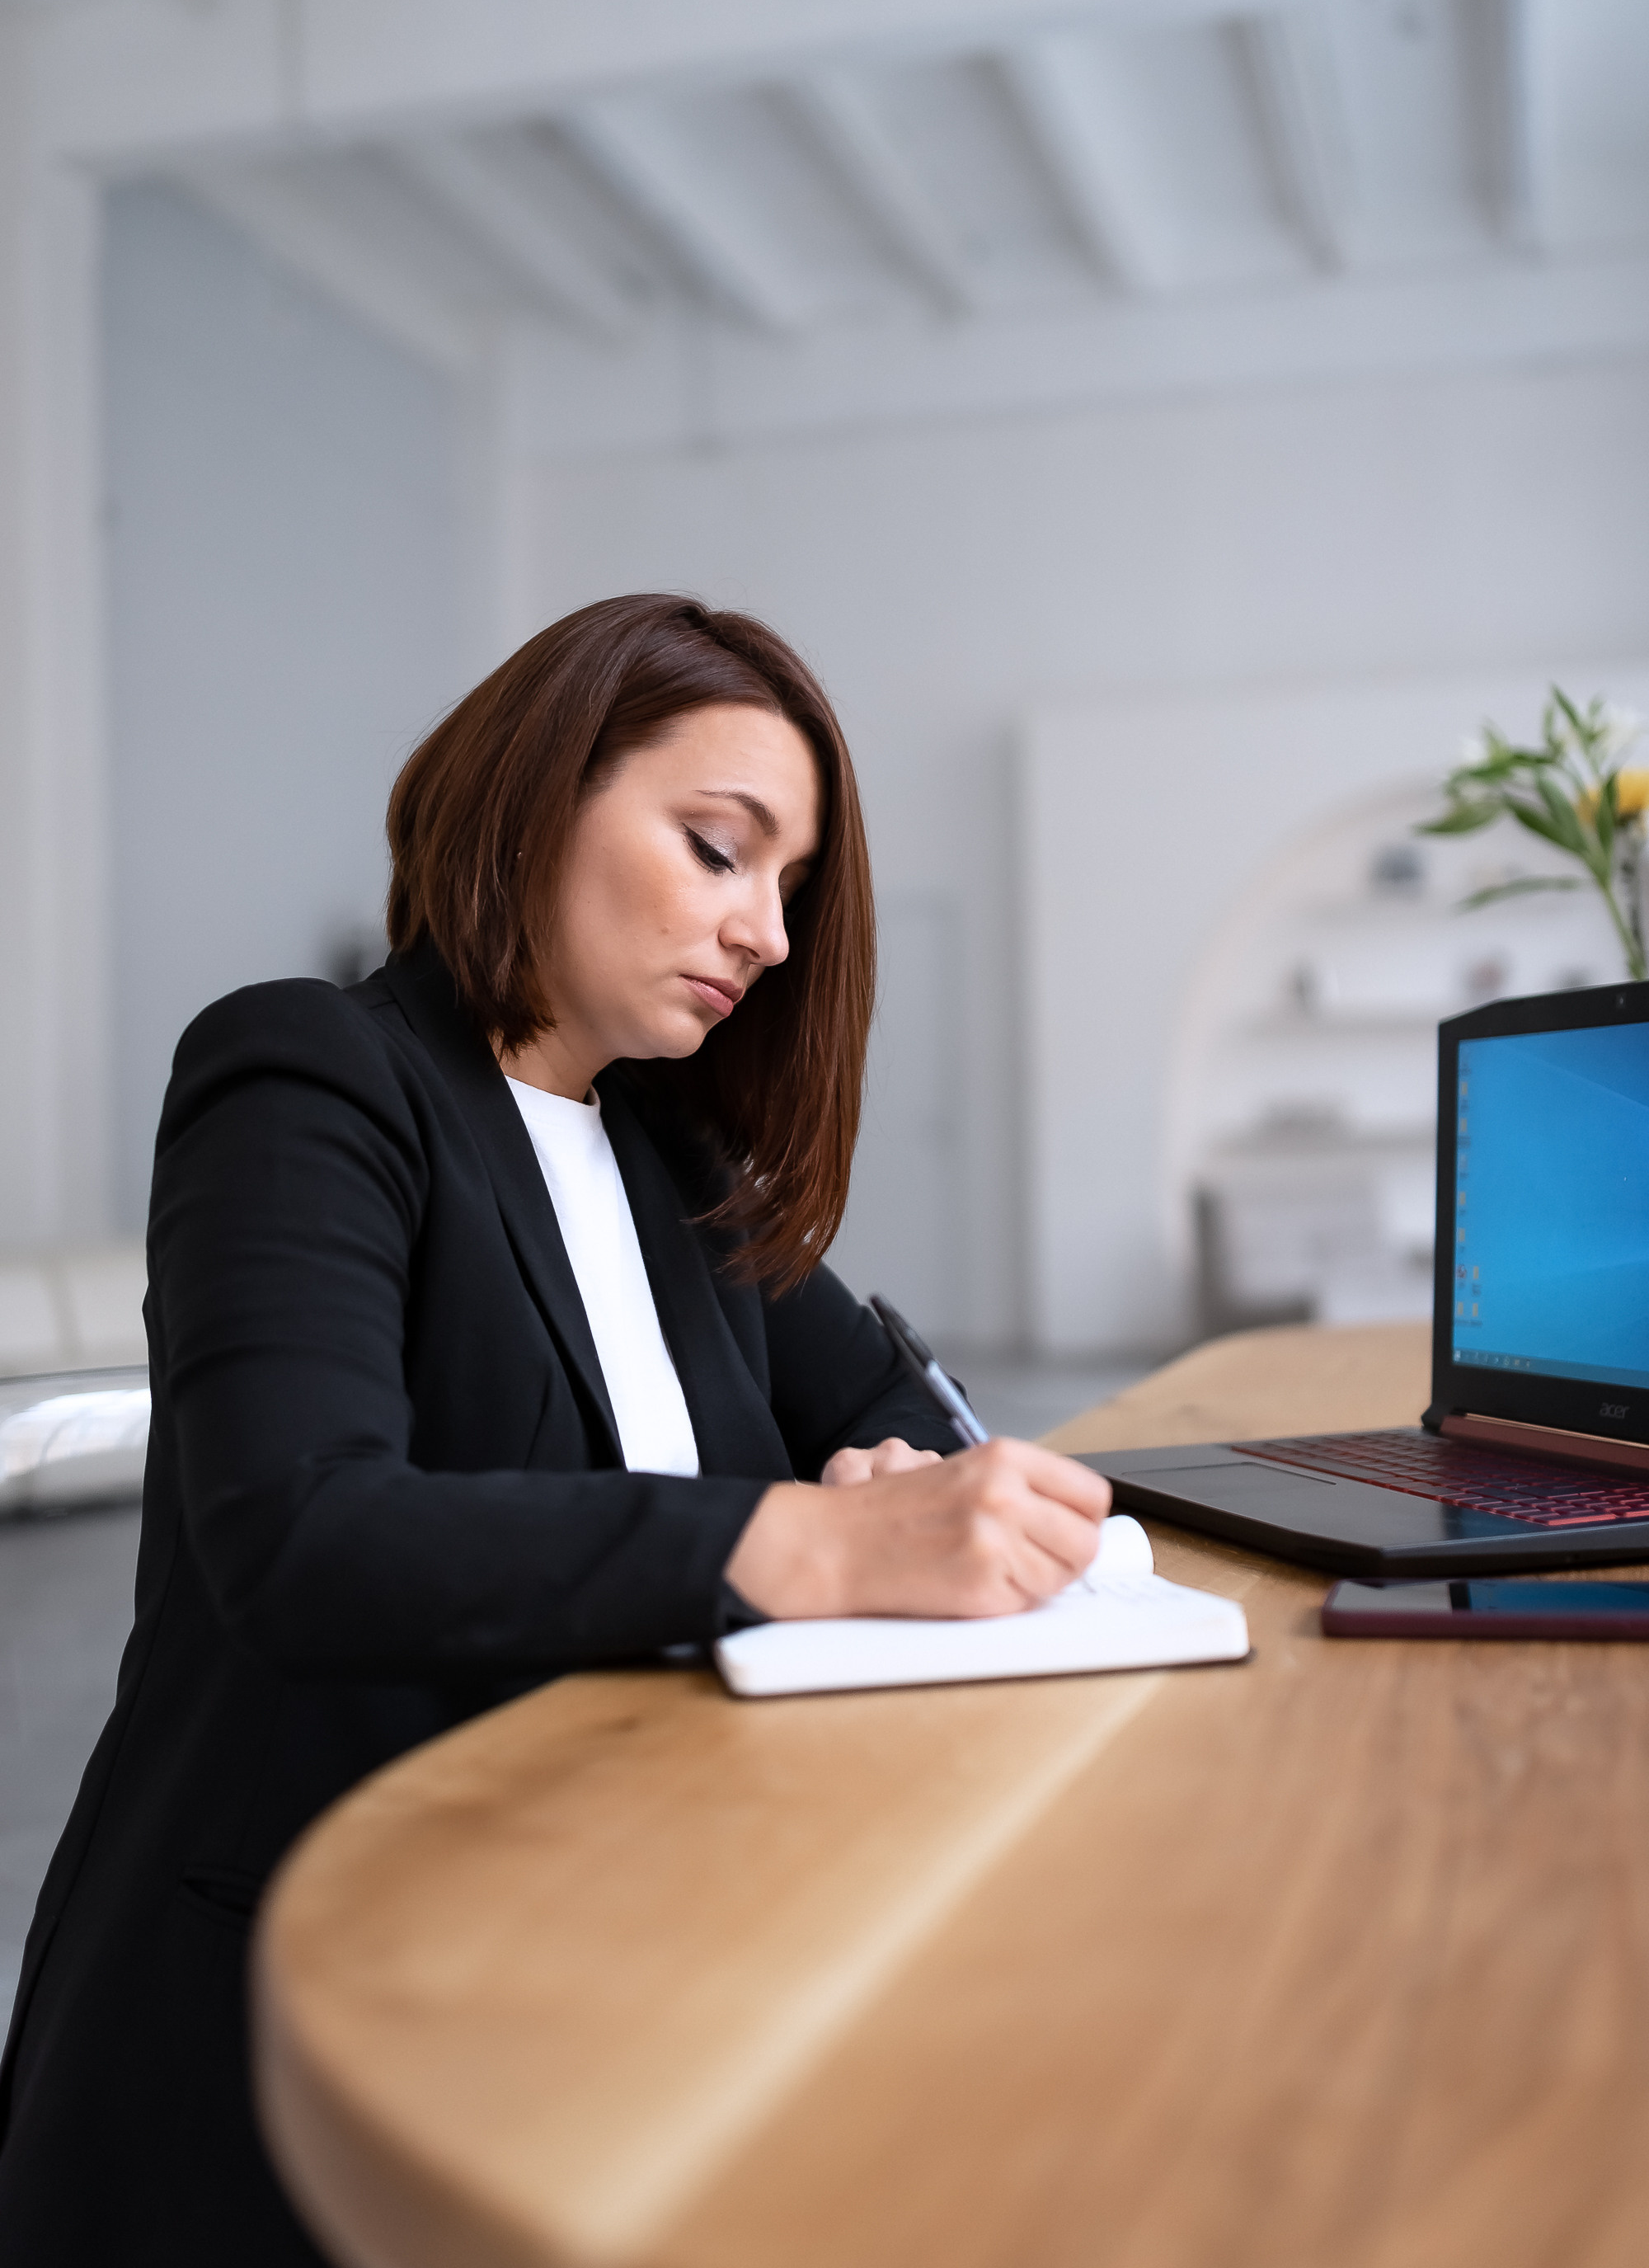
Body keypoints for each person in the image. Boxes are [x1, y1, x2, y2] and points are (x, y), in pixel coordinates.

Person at [0, 595, 1110, 2264]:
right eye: (720, 849)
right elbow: (305, 1531)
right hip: (312, 1992)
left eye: (792, 890)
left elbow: (879, 1401)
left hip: (613, 1925)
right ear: (538, 792)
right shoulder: (310, 1074)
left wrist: (889, 1475)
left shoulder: (672, 1160)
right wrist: (803, 1538)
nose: (769, 937)